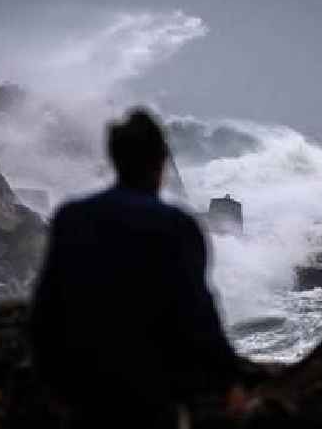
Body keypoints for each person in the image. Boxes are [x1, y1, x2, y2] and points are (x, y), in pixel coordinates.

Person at [30, 107, 254, 427]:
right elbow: (199, 314)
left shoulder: (73, 217)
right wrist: (230, 381)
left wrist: (52, 383)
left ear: (114, 159)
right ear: (161, 163)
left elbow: (45, 310)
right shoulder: (178, 227)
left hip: (86, 390)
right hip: (153, 395)